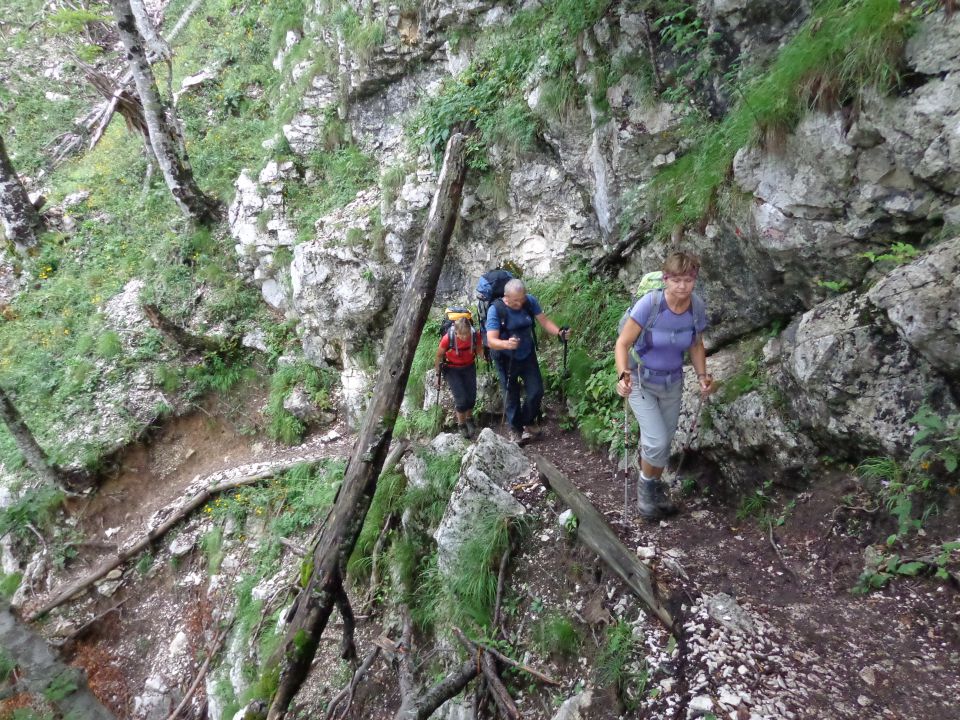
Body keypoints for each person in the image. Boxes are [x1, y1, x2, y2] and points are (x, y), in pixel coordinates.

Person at [614, 251, 714, 520]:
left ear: (695, 280)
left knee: (664, 442)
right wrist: (622, 375)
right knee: (656, 441)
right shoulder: (651, 304)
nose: (683, 286)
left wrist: (702, 375)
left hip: (673, 382)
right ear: (666, 279)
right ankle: (646, 495)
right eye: (677, 280)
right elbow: (622, 343)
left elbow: (695, 344)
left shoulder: (696, 307)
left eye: (689, 280)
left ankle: (655, 492)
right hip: (640, 380)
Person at [486, 278, 571, 444]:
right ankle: (515, 429)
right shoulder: (495, 310)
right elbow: (491, 340)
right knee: (511, 394)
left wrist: (559, 332)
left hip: (527, 354)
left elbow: (544, 321)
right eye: (516, 300)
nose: (520, 303)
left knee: (536, 391)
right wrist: (506, 344)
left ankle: (528, 420)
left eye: (522, 298)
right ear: (506, 297)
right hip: (505, 358)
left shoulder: (529, 301)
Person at [435, 317, 481, 439]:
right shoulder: (447, 339)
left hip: (469, 366)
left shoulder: (474, 335)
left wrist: (484, 357)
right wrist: (437, 375)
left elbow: (479, 348)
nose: (465, 337)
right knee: (461, 399)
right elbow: (439, 356)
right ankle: (461, 425)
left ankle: (469, 419)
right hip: (451, 369)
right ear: (456, 332)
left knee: (471, 397)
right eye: (462, 335)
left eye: (467, 334)